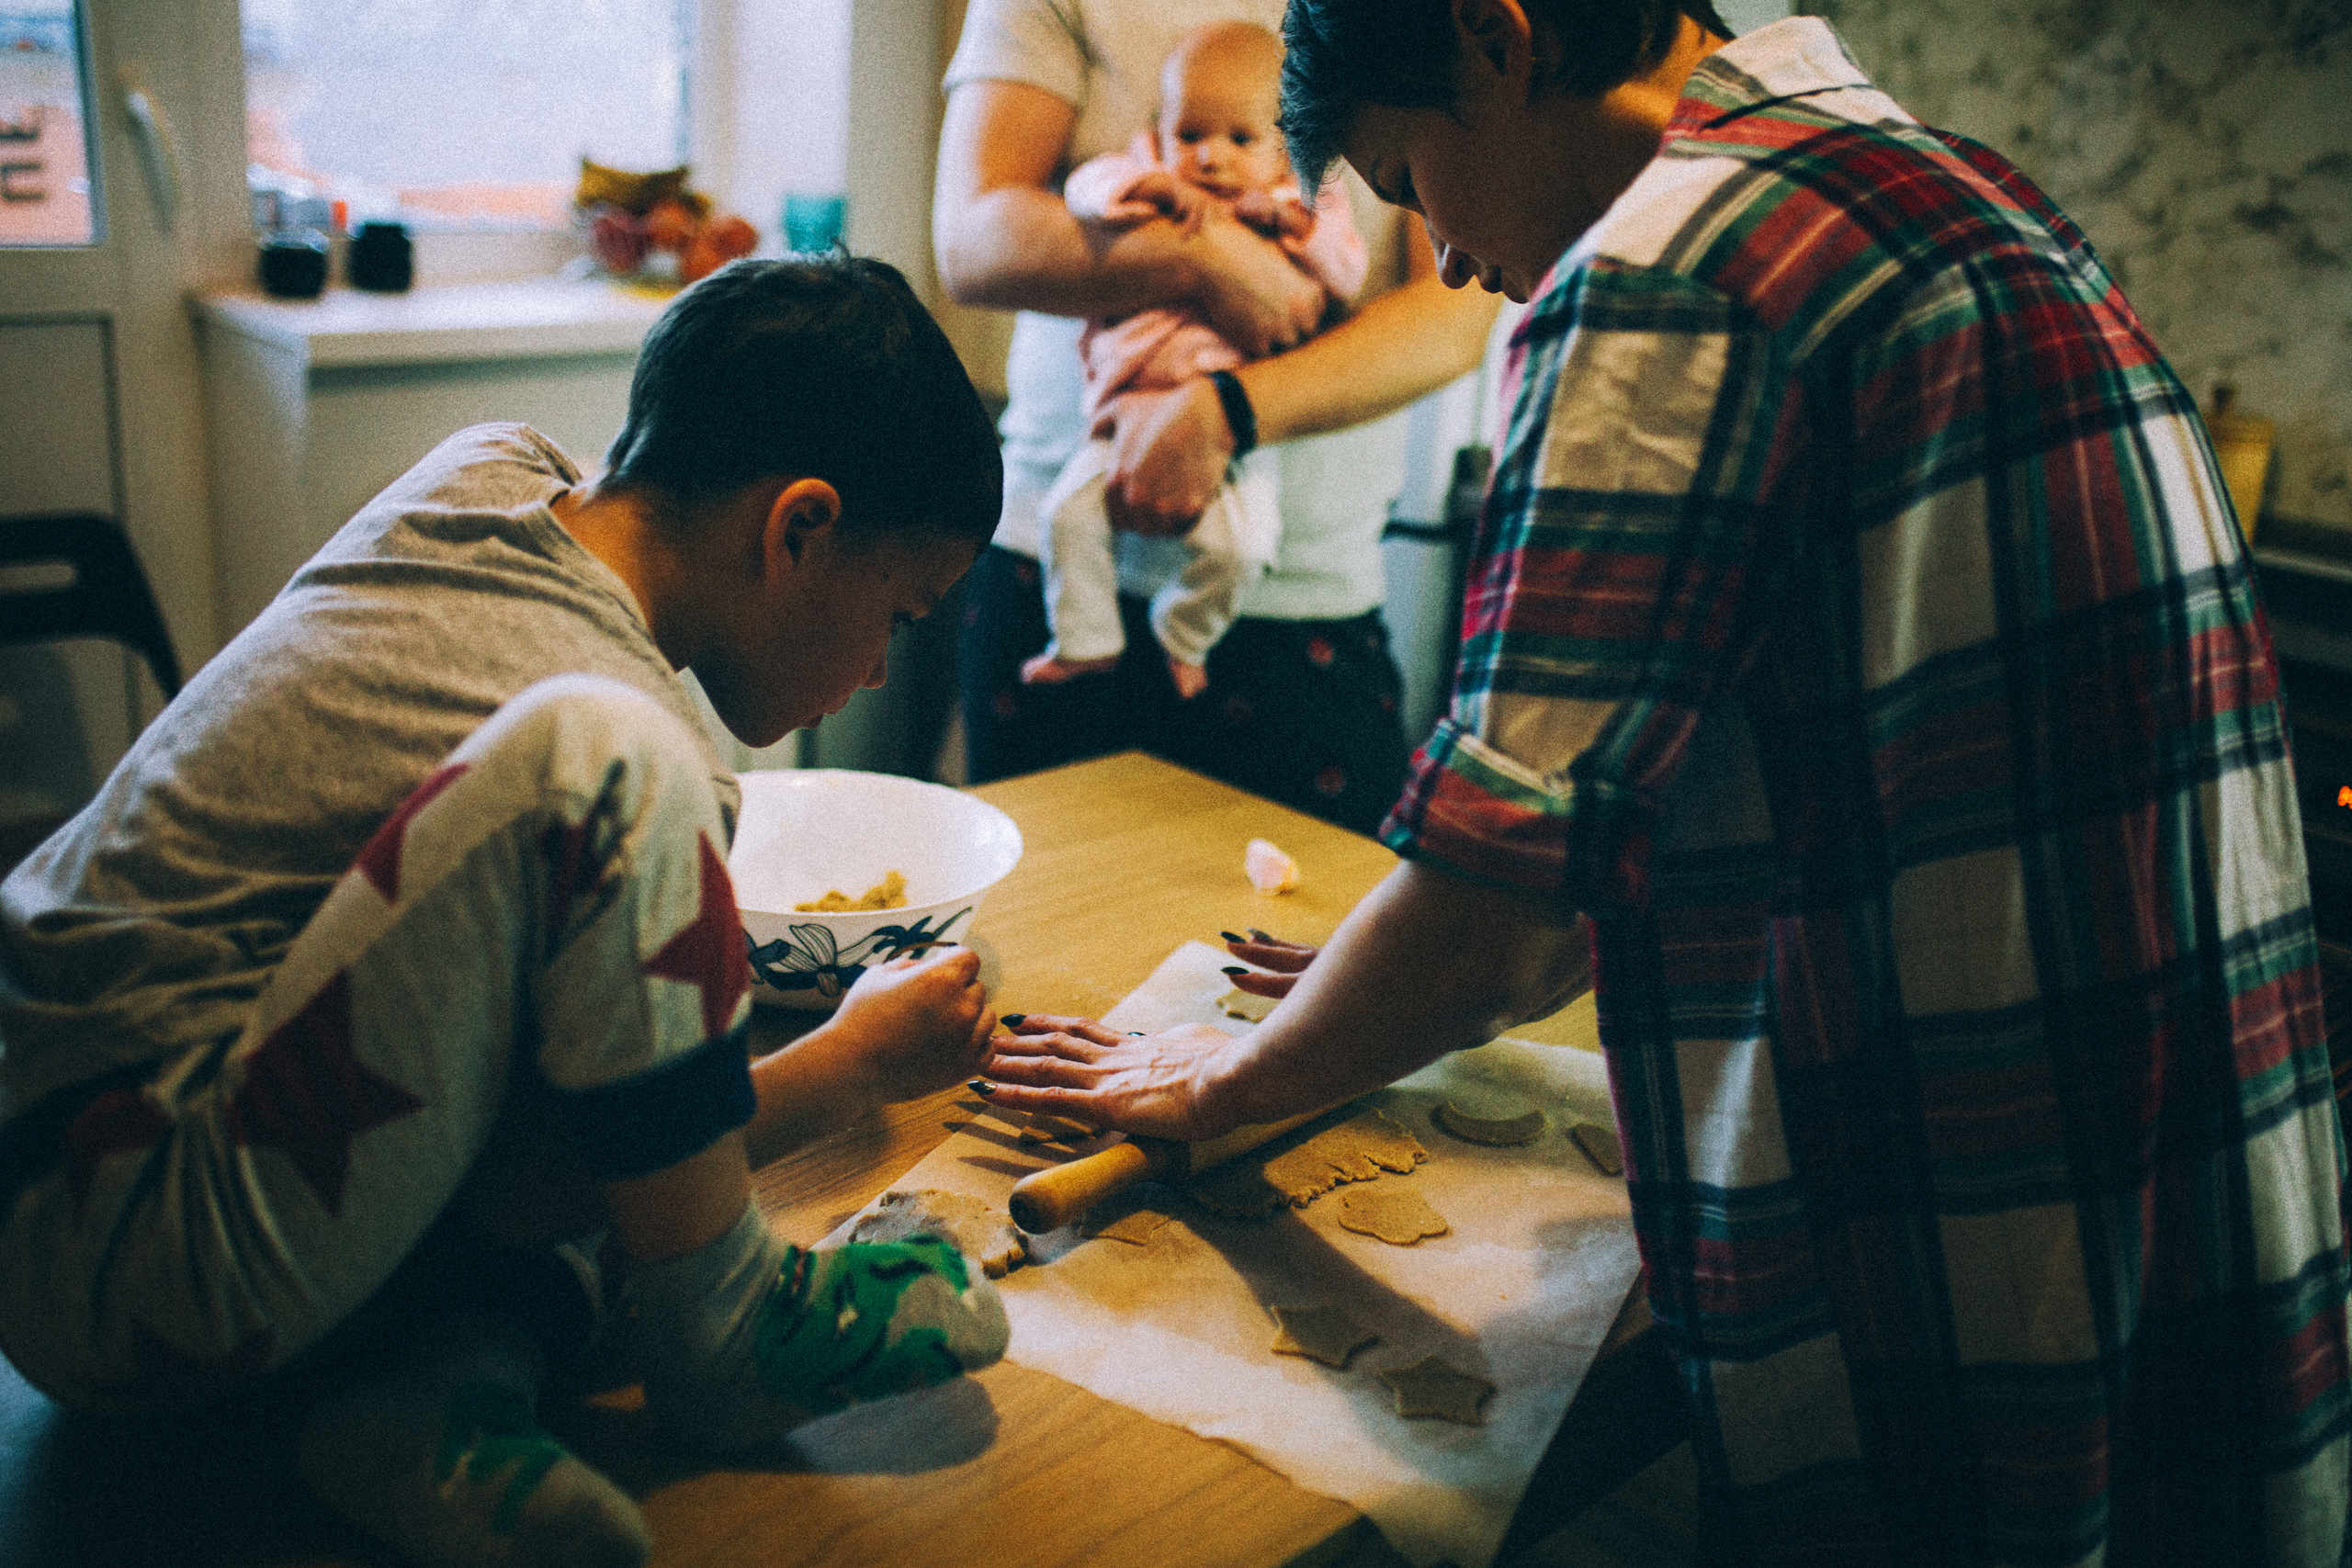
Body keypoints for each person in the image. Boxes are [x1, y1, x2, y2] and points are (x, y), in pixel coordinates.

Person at [973, 4, 2349, 1563]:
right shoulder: (1951, 188)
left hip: (1969, 1215)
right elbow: (1671, 781)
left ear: (1498, 42)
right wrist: (1383, 987)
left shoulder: (1663, 272)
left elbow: (1494, 916)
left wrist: (1226, 1079)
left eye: (1410, 180)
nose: (1453, 266)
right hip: (2208, 1186)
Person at [0, 255, 1013, 1568]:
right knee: (607, 763)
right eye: (899, 613)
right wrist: (845, 1068)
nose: (881, 664)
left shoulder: (488, 475)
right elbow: (541, 1183)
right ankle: (721, 1326)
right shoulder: (644, 740)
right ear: (798, 528)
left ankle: (418, 1397)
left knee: (587, 1098)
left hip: (72, 1157)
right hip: (132, 1225)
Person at [935, 0, 1501, 835]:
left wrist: (1225, 413)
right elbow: (972, 239)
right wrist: (1202, 254)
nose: (1215, 157)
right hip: (1051, 561)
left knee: (1292, 944)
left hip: (1304, 586)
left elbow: (1455, 312)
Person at [1025, 20, 1368, 702]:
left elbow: (1348, 273)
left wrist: (1294, 227)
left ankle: (1184, 634)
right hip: (1123, 408)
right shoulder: (1149, 171)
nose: (1210, 157)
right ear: (1163, 130)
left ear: (1285, 149)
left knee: (1243, 549)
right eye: (1190, 135)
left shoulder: (1303, 200)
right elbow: (1086, 185)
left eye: (1240, 139)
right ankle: (1086, 640)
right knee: (1065, 515)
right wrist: (1144, 189)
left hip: (1241, 429)